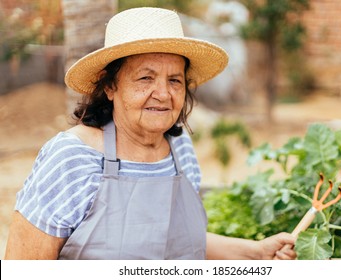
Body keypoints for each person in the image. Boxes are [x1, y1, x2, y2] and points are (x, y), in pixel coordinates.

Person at [5, 7, 296, 260]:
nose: (163, 94)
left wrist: (255, 252)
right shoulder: (72, 158)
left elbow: (174, 243)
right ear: (110, 86)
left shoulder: (180, 148)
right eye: (145, 78)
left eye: (174, 80)